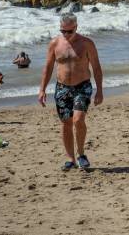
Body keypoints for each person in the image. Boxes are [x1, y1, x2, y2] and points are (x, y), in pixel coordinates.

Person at [38, 13, 103, 171]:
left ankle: (81, 155)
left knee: (78, 120)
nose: (66, 34)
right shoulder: (55, 43)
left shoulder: (87, 43)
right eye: (63, 31)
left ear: (76, 27)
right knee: (66, 123)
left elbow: (96, 67)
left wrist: (99, 90)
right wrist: (42, 89)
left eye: (69, 31)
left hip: (82, 86)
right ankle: (70, 159)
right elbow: (48, 67)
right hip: (62, 88)